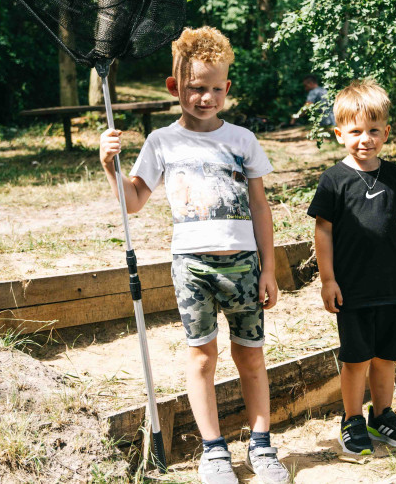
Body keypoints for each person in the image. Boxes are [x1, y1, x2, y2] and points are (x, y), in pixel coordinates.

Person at [100, 26, 289, 484]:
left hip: (244, 265)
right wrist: (110, 166)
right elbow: (134, 200)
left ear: (227, 89)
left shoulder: (242, 139)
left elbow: (260, 205)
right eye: (194, 88)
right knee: (202, 358)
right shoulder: (161, 142)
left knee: (251, 356)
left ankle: (261, 446)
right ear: (174, 88)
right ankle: (214, 450)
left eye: (213, 89)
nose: (204, 97)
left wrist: (269, 268)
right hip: (192, 266)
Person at [307, 78, 396, 455]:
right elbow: (322, 231)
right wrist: (328, 280)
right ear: (339, 132)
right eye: (356, 131)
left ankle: (383, 415)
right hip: (353, 289)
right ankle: (352, 418)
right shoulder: (334, 180)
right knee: (357, 359)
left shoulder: (394, 176)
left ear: (386, 132)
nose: (365, 139)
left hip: (390, 287)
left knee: (387, 357)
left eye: (374, 130)